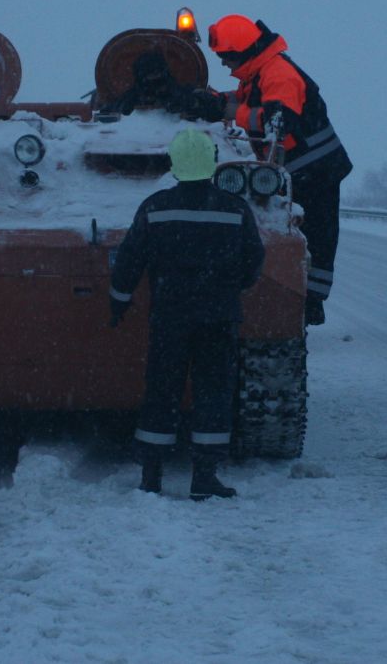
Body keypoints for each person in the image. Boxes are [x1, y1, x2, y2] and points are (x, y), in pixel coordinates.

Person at [109, 129, 265, 499]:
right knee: (213, 392)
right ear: (212, 164)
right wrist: (228, 289)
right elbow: (253, 262)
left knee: (162, 390)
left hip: (170, 317)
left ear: (175, 164)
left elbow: (130, 259)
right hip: (218, 317)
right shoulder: (235, 208)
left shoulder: (156, 206)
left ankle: (151, 475)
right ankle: (204, 476)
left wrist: (119, 299)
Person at [194, 15, 353, 326]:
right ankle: (301, 302)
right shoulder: (259, 73)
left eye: (227, 57)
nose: (225, 65)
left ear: (244, 50)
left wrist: (228, 111)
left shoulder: (278, 74)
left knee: (316, 238)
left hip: (317, 171)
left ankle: (309, 305)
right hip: (300, 170)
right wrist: (213, 100)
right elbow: (243, 101)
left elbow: (276, 119)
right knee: (306, 235)